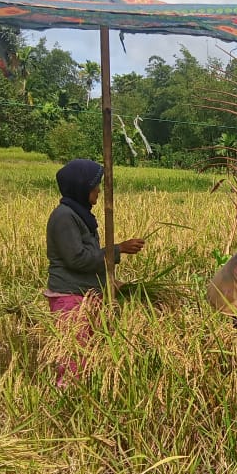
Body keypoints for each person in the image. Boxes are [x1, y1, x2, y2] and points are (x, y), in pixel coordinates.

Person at [45, 158, 145, 385]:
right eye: (95, 185)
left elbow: (89, 256)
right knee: (73, 359)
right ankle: (67, 398)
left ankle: (84, 396)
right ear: (81, 187)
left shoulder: (80, 215)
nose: (99, 190)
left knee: (90, 355)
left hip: (86, 295)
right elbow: (77, 259)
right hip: (71, 297)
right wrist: (118, 249)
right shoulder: (64, 217)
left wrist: (109, 282)